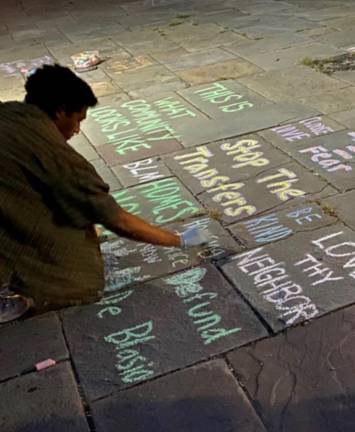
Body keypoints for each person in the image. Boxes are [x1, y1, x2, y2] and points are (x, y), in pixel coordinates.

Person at [0, 64, 208, 324]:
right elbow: (117, 220)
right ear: (60, 111)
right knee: (75, 275)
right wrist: (179, 240)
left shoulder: (9, 112)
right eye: (78, 120)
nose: (77, 131)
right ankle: (11, 293)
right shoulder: (60, 160)